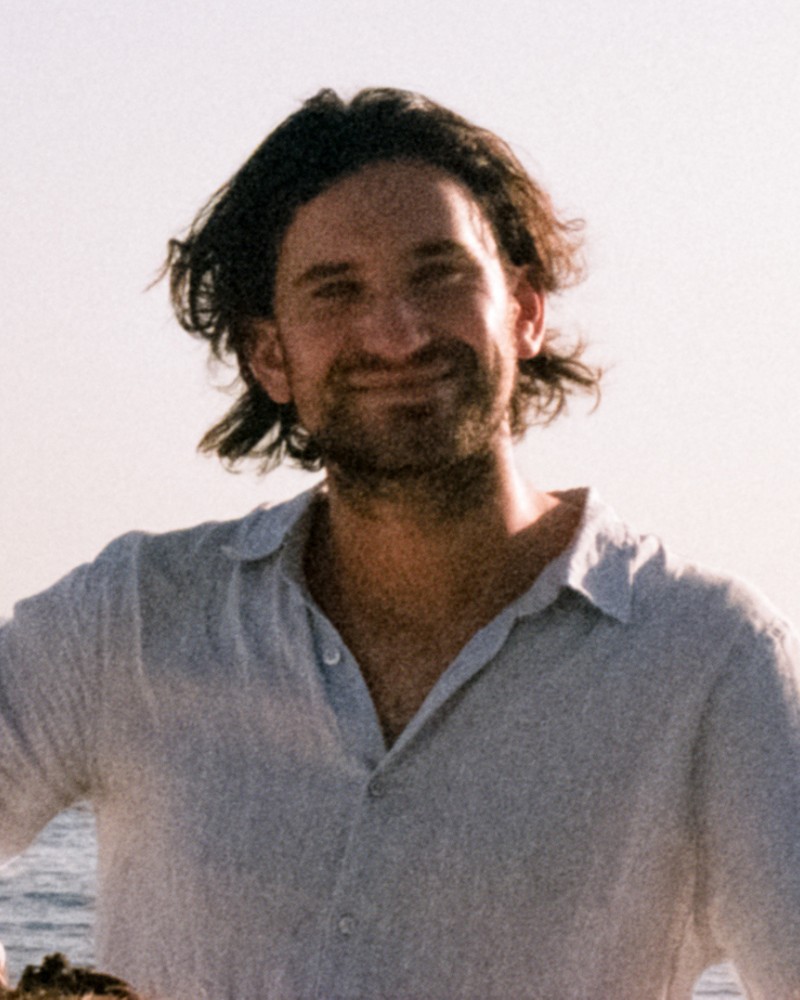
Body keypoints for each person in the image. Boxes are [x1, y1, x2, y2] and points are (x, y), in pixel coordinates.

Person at [1, 87, 799, 1000]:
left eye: (440, 273)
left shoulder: (711, 660)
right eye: (336, 290)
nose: (398, 332)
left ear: (526, 310)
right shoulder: (134, 618)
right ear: (270, 356)